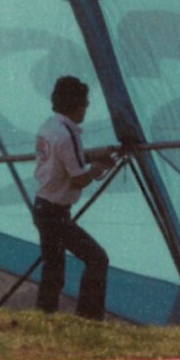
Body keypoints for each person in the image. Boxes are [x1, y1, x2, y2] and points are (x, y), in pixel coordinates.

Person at [31, 76, 117, 320]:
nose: (86, 109)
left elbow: (67, 160)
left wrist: (96, 154)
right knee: (97, 258)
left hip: (42, 205)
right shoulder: (68, 134)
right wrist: (98, 168)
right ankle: (89, 318)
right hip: (55, 211)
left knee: (53, 269)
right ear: (75, 104)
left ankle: (44, 318)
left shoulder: (49, 127)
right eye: (85, 104)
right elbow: (78, 178)